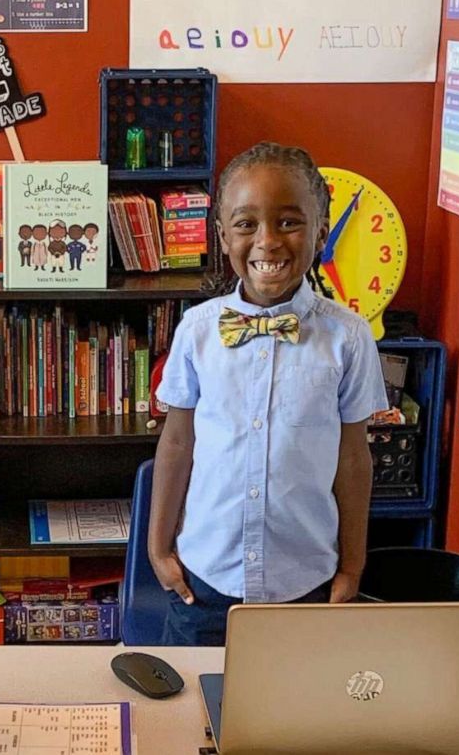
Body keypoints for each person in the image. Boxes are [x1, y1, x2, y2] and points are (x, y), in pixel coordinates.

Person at [149, 142, 388, 646]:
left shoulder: (347, 337)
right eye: (246, 224)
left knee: (298, 720)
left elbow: (352, 459)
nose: (267, 242)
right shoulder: (197, 330)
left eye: (288, 222)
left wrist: (353, 565)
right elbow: (176, 445)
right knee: (188, 716)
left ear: (321, 232)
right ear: (223, 235)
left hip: (305, 584)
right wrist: (157, 549)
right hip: (204, 582)